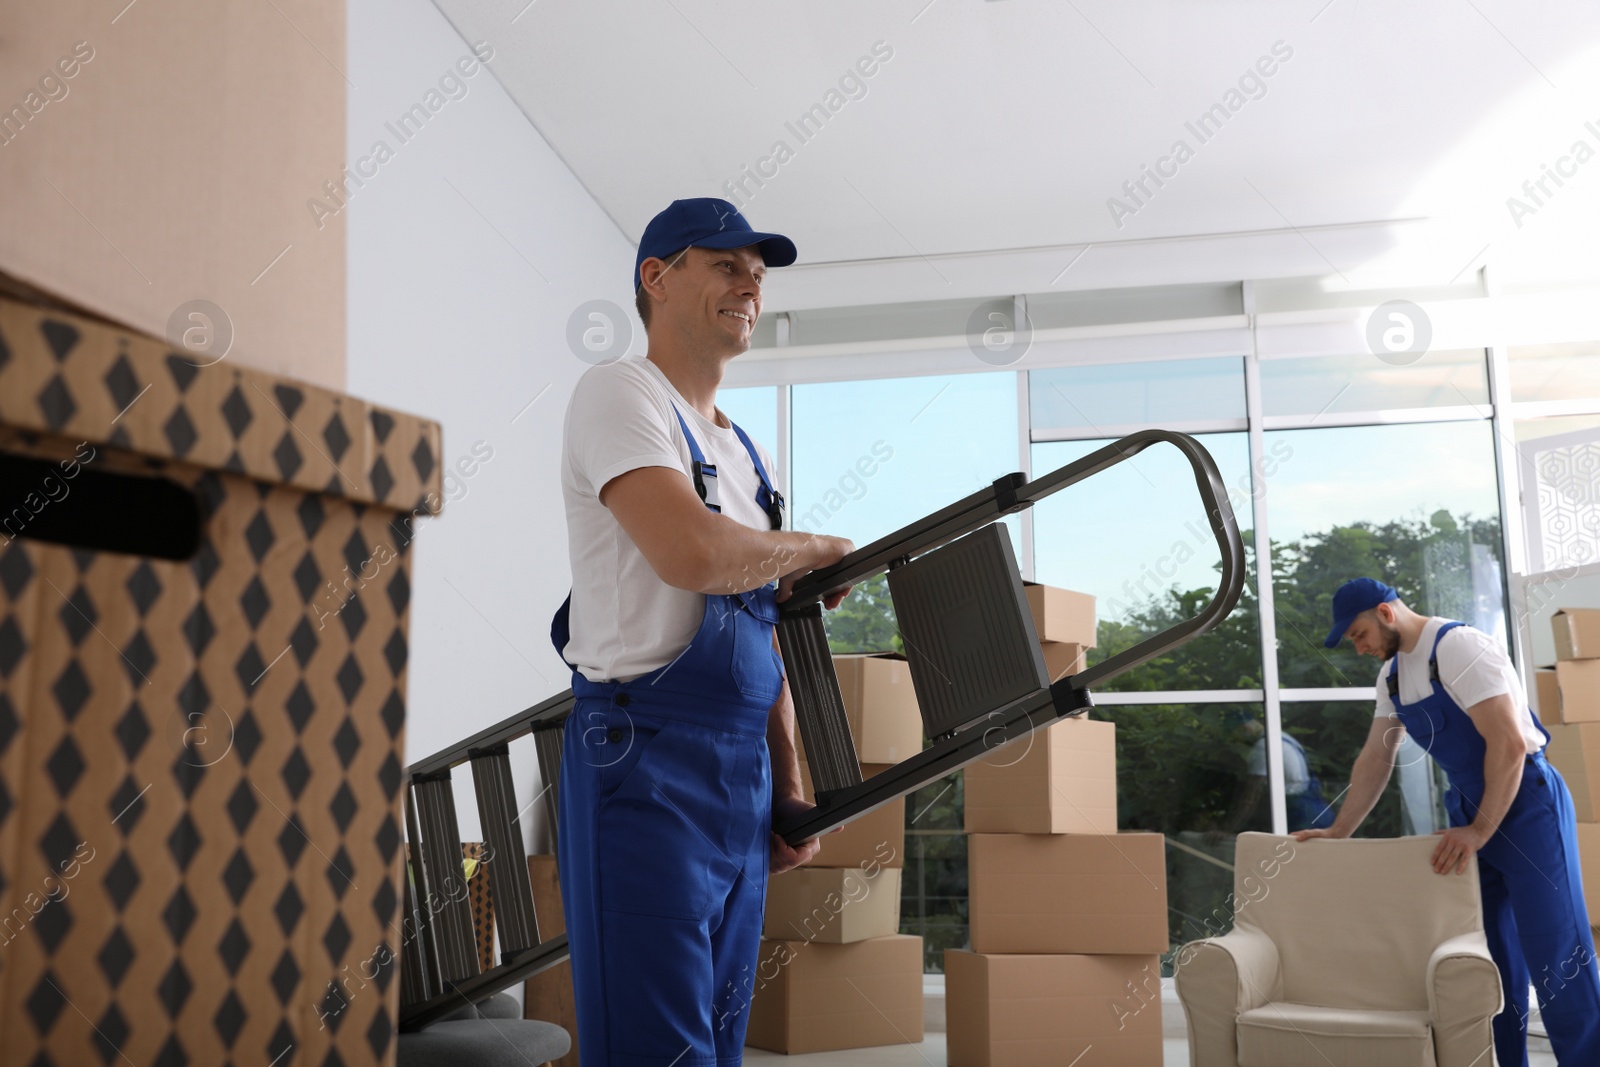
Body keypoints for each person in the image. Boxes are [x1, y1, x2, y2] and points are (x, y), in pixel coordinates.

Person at [550, 197, 855, 1065]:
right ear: (657, 275)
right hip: (642, 762)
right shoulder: (618, 393)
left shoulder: (745, 454)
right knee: (656, 1046)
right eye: (726, 264)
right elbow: (691, 552)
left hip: (739, 775)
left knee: (721, 1041)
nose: (749, 286)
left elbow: (761, 637)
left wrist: (787, 783)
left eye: (758, 275)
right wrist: (817, 547)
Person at [1295, 577, 1600, 1067]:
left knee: (1556, 953)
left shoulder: (1459, 647)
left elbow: (1509, 744)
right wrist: (1338, 831)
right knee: (1490, 960)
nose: (1359, 647)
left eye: (1358, 633)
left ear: (1385, 613)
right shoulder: (1392, 676)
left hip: (1526, 805)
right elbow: (1377, 756)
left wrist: (1479, 830)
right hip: (1466, 810)